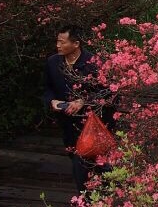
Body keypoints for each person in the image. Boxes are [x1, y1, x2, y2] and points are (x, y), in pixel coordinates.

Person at [44, 25, 115, 193]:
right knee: (79, 160)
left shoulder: (93, 63)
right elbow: (47, 88)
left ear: (76, 44)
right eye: (57, 42)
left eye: (62, 42)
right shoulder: (53, 62)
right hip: (68, 123)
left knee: (86, 163)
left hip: (93, 123)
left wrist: (84, 101)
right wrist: (51, 101)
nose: (58, 46)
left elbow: (109, 92)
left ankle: (89, 197)